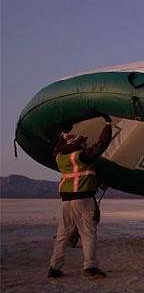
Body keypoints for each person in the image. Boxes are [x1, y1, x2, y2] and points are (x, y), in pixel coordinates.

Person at [48, 114, 112, 280]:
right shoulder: (81, 156)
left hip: (66, 201)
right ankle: (90, 267)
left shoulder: (60, 158)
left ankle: (54, 267)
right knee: (88, 233)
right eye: (83, 143)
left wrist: (63, 134)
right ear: (77, 145)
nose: (85, 144)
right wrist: (108, 124)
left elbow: (57, 149)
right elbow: (101, 145)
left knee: (63, 234)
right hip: (83, 199)